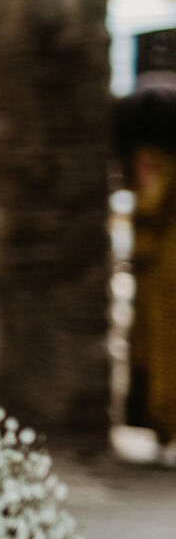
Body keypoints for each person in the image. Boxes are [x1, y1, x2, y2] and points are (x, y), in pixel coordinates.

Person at [117, 73, 176, 463]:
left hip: (161, 270)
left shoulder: (152, 160)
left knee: (162, 351)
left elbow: (151, 206)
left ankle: (166, 430)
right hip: (162, 264)